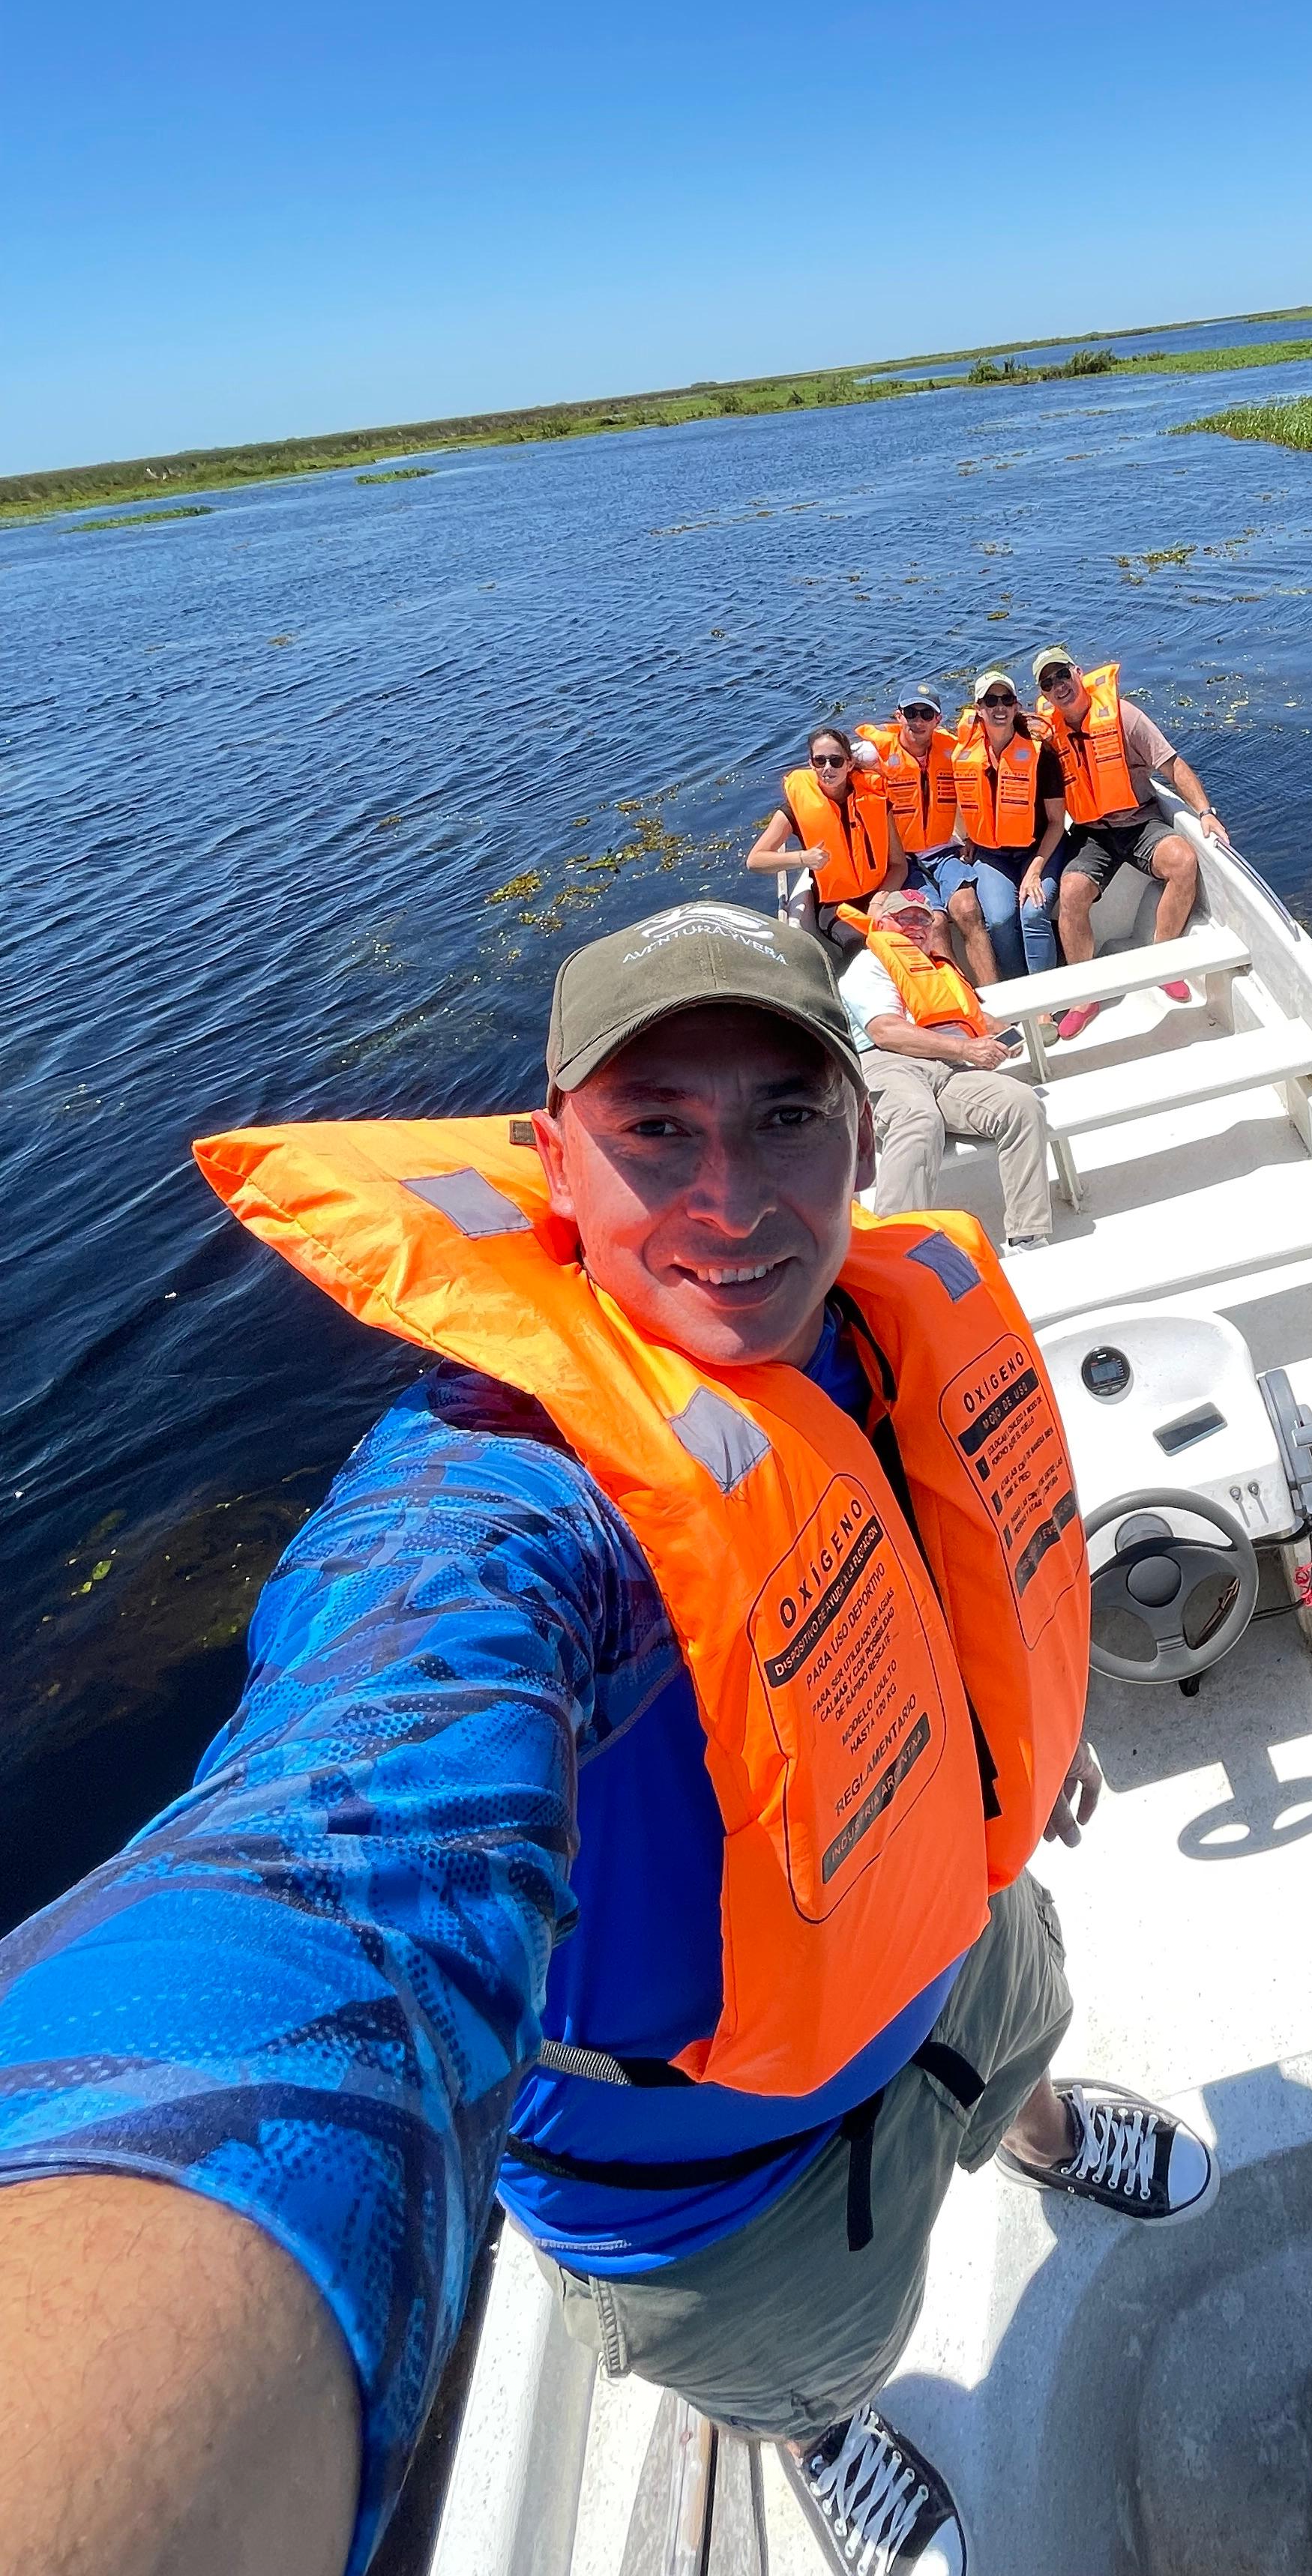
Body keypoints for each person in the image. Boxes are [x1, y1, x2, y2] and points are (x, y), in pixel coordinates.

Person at [0, 902, 1212, 2576]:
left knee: (1025, 2047)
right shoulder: (497, 1504)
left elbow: (944, 1581)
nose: (730, 1199)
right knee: (807, 2370)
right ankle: (816, 2434)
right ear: (556, 1162)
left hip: (955, 1933)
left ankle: (1049, 2139)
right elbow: (337, 1844)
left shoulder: (871, 1331)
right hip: (722, 2193)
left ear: (861, 1136)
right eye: (658, 1130)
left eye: (786, 1115)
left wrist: (1028, 1742)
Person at [1029, 648, 1231, 1041]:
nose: (1058, 686)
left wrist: (1205, 811)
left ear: (1078, 673)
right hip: (1091, 833)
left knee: (1182, 860)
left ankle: (1162, 961)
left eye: (1062, 675)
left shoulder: (1125, 717)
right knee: (1071, 892)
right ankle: (1085, 996)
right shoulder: (1049, 734)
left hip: (1138, 821)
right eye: (1048, 683)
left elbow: (1171, 765)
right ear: (1045, 692)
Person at [841, 887, 1053, 1252]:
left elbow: (970, 1017)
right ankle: (896, 1248)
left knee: (1022, 1103)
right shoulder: (870, 964)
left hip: (950, 1069)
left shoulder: (937, 969)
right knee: (918, 1118)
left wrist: (1001, 1033)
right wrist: (966, 1048)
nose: (915, 926)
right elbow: (885, 1031)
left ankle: (1029, 1234)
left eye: (923, 919)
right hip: (890, 1062)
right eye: (903, 917)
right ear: (881, 923)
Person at [936, 669, 1068, 985]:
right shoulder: (965, 756)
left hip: (1040, 849)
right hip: (992, 854)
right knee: (999, 920)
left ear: (1016, 706)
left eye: (1006, 700)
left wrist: (1035, 871)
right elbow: (959, 802)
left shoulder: (1040, 753)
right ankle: (1020, 989)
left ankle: (1045, 1000)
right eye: (990, 701)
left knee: (1033, 912)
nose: (999, 707)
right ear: (979, 709)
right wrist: (968, 837)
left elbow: (1056, 823)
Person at [744, 727, 903, 961]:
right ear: (812, 764)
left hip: (883, 894)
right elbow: (755, 861)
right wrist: (802, 858)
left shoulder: (876, 799)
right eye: (820, 761)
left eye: (836, 761)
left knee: (910, 935)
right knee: (861, 946)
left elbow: (899, 864)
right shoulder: (796, 809)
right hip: (836, 906)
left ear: (849, 764)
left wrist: (879, 902)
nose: (828, 768)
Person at [853, 687, 963, 911]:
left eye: (927, 714)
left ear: (938, 720)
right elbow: (829, 767)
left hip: (943, 848)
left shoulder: (953, 750)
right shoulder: (871, 754)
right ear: (899, 716)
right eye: (911, 713)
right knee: (935, 919)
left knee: (968, 908)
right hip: (898, 858)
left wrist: (970, 838)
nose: (918, 721)